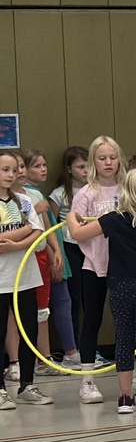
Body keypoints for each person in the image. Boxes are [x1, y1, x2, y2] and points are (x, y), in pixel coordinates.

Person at [65, 168, 136, 417]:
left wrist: (72, 216)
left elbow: (77, 233)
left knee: (124, 340)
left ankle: (125, 399)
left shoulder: (114, 219)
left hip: (120, 285)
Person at [70, 136, 123, 404]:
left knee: (126, 322)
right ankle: (87, 381)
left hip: (124, 267)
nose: (108, 163)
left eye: (112, 157)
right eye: (102, 158)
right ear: (93, 161)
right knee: (91, 320)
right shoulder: (85, 194)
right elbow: (76, 231)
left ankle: (131, 373)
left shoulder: (126, 190)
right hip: (93, 266)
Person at [19, 150, 74, 376]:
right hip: (21, 258)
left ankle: (46, 358)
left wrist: (55, 251)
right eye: (11, 169)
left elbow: (45, 228)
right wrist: (33, 212)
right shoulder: (18, 200)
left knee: (43, 309)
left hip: (40, 256)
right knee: (17, 314)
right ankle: (16, 362)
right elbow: (26, 227)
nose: (18, 173)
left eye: (21, 167)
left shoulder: (34, 196)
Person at [0, 151, 49, 408]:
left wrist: (15, 245)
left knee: (28, 331)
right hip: (1, 280)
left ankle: (28, 384)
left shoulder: (24, 201)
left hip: (26, 277)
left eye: (13, 169)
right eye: (4, 170)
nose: (10, 175)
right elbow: (27, 229)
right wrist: (25, 231)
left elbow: (38, 230)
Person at [49, 146, 89, 369]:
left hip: (90, 247)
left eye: (88, 166)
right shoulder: (59, 194)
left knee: (87, 298)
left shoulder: (94, 191)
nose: (86, 171)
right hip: (69, 247)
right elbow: (51, 225)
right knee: (72, 299)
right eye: (81, 166)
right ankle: (72, 348)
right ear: (69, 169)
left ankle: (88, 346)